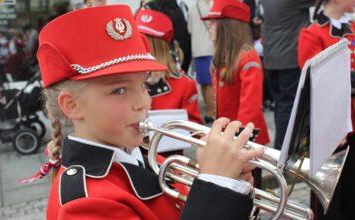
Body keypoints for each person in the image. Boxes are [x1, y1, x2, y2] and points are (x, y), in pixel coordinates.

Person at [36, 5, 264, 220]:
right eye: (120, 90)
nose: (144, 102)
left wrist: (228, 185)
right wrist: (215, 185)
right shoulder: (82, 204)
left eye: (144, 85)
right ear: (71, 105)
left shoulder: (150, 158)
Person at [298, 0, 355, 219]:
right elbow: (314, 80)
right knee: (329, 197)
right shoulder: (312, 33)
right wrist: (349, 82)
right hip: (328, 127)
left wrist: (350, 79)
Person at [202, 0, 269, 146]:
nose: (209, 27)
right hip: (227, 136)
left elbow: (250, 109)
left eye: (214, 22)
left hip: (244, 139)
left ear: (228, 27)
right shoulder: (223, 56)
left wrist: (238, 142)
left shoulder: (247, 57)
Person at [260, 0, 314, 150]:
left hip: (272, 57)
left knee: (281, 105)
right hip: (289, 58)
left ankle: (283, 146)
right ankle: (283, 149)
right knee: (288, 105)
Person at [135, 9, 202, 125]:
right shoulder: (125, 80)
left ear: (155, 46)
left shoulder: (184, 85)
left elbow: (194, 131)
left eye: (139, 39)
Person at [187, 0, 215, 124]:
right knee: (209, 83)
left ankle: (209, 111)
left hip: (197, 50)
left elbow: (190, 29)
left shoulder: (194, 7)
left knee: (204, 83)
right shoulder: (211, 6)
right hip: (209, 49)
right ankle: (211, 112)